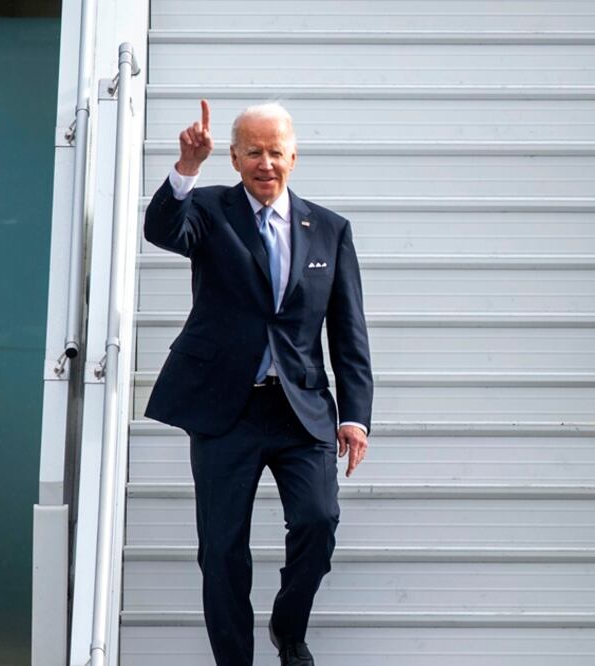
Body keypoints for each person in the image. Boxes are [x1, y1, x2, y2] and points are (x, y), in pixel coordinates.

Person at [143, 99, 374, 666]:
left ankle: (288, 629)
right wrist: (185, 167)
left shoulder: (329, 230)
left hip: (302, 411)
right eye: (253, 151)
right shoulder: (208, 209)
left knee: (318, 524)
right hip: (226, 409)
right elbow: (162, 229)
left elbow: (348, 331)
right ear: (234, 155)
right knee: (222, 551)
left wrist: (354, 414)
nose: (264, 163)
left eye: (275, 151)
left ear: (293, 156)